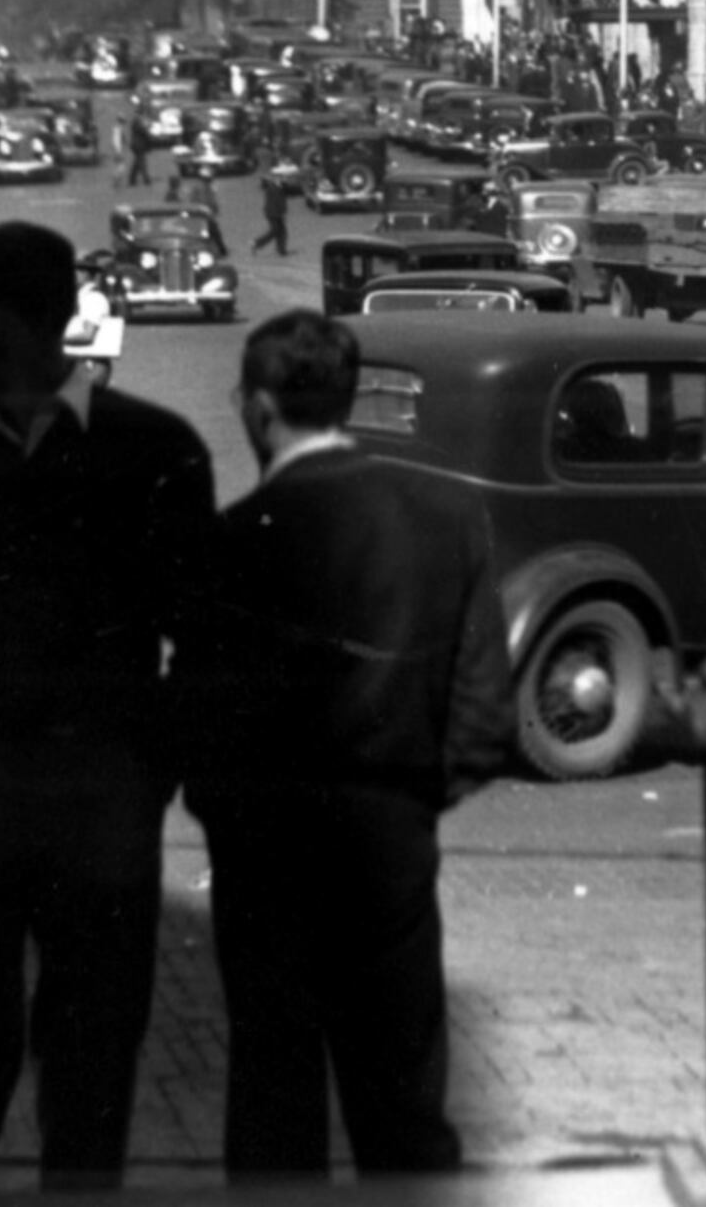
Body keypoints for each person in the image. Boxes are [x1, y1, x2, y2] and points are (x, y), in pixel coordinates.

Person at [0, 223, 216, 1187]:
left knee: (90, 1076)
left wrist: (147, 773)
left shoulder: (152, 449)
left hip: (99, 803)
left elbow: (204, 640)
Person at [171, 309, 507, 1179]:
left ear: (255, 409)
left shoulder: (226, 540)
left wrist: (229, 819)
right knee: (402, 1107)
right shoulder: (448, 515)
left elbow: (196, 719)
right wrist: (414, 798)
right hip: (390, 841)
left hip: (264, 860)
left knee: (274, 1109)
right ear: (348, 400)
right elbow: (481, 709)